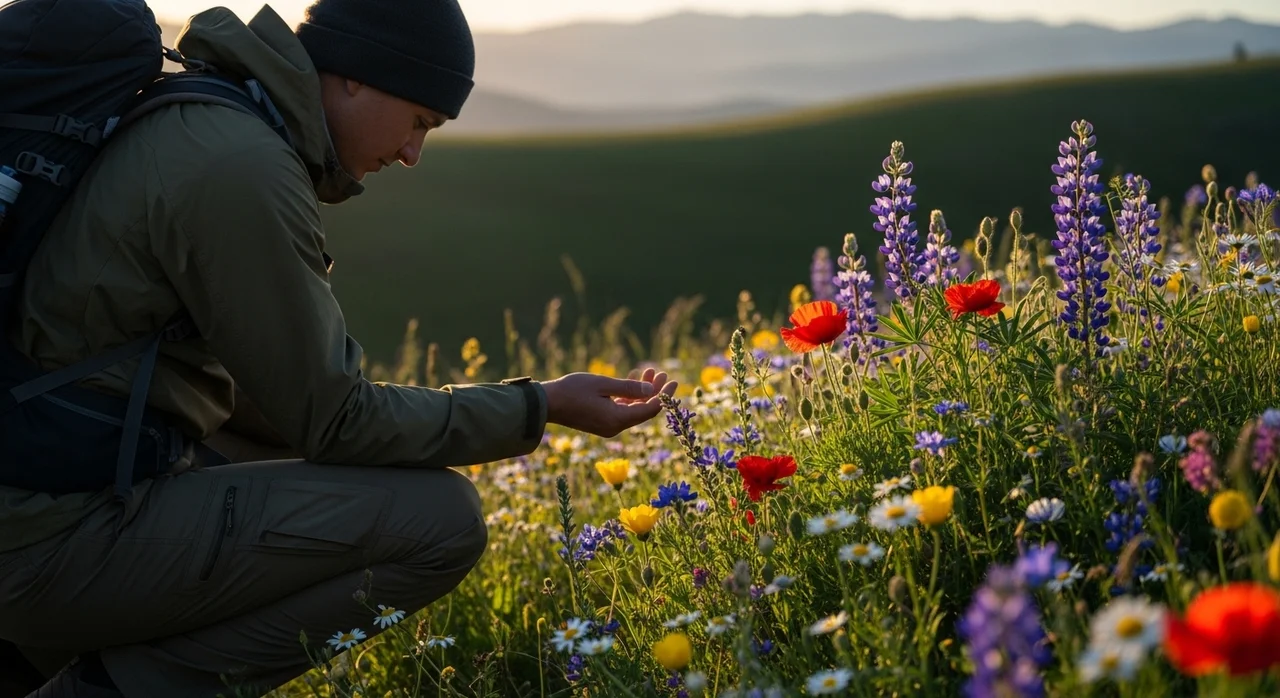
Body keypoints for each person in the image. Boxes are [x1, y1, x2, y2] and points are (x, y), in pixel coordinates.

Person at [0, 1, 677, 696]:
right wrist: (541, 406)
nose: (412, 154)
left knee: (302, 451)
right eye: (419, 121)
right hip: (44, 537)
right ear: (357, 75)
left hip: (44, 484)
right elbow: (336, 419)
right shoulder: (242, 167)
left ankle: (31, 658)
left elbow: (284, 406)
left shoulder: (208, 116)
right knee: (441, 521)